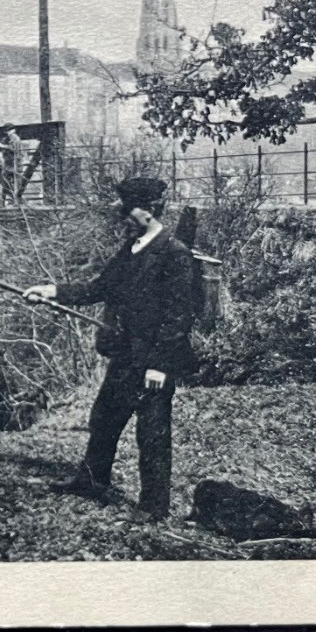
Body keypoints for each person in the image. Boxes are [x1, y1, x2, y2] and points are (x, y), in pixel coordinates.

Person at [22, 176, 202, 524]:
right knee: (104, 419)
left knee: (152, 432)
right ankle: (92, 481)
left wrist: (160, 366)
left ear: (147, 211)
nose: (122, 216)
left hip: (152, 362)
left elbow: (179, 316)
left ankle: (153, 506)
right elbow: (98, 288)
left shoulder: (174, 253)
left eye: (127, 210)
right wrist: (52, 291)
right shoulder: (131, 248)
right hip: (124, 354)